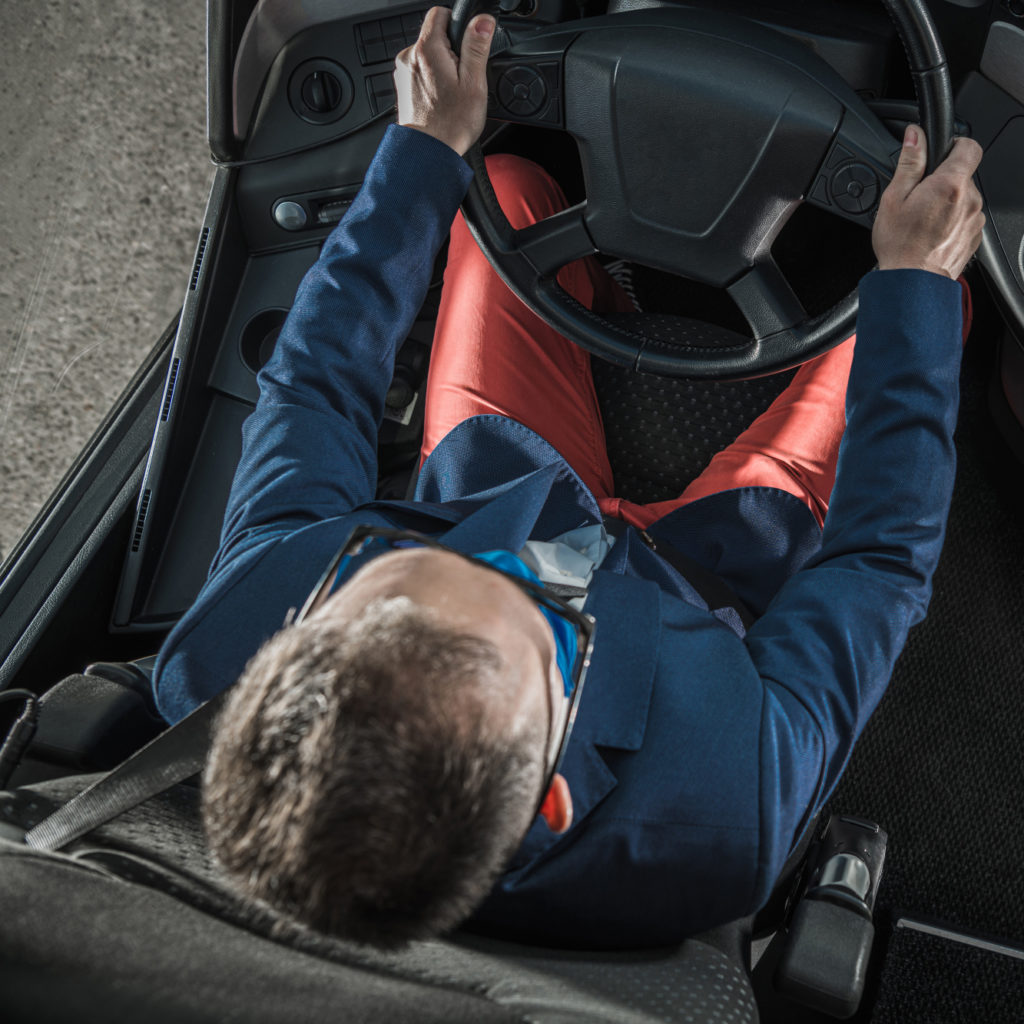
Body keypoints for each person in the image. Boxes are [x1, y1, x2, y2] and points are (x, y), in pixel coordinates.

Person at [152, 7, 985, 949]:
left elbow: (314, 389)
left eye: (398, 560)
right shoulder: (727, 805)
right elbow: (878, 564)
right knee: (927, 310)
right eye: (543, 618)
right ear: (548, 799)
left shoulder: (227, 651)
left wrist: (423, 149)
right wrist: (914, 281)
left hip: (495, 484)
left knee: (504, 188)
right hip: (721, 570)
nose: (524, 562)